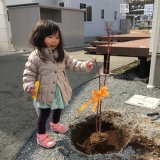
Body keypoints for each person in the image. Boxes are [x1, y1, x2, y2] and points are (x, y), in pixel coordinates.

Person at [23, 19, 93, 149]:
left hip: (59, 88)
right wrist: (29, 85)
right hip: (44, 90)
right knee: (44, 112)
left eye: (57, 37)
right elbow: (29, 73)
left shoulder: (61, 53)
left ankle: (55, 124)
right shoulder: (36, 56)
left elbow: (73, 64)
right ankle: (41, 135)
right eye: (50, 37)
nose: (54, 40)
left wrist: (85, 65)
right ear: (39, 36)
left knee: (59, 107)